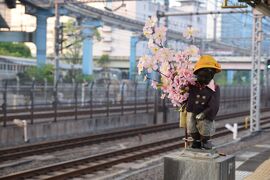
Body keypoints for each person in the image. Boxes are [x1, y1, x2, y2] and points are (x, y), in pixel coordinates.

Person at [186, 55, 221, 150]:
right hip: (192, 110)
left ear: (212, 75)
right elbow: (185, 93)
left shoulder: (214, 88)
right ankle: (196, 141)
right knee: (191, 126)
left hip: (204, 112)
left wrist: (204, 113)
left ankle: (205, 141)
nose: (202, 79)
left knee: (205, 126)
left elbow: (214, 104)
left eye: (205, 77)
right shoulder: (193, 85)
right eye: (200, 76)